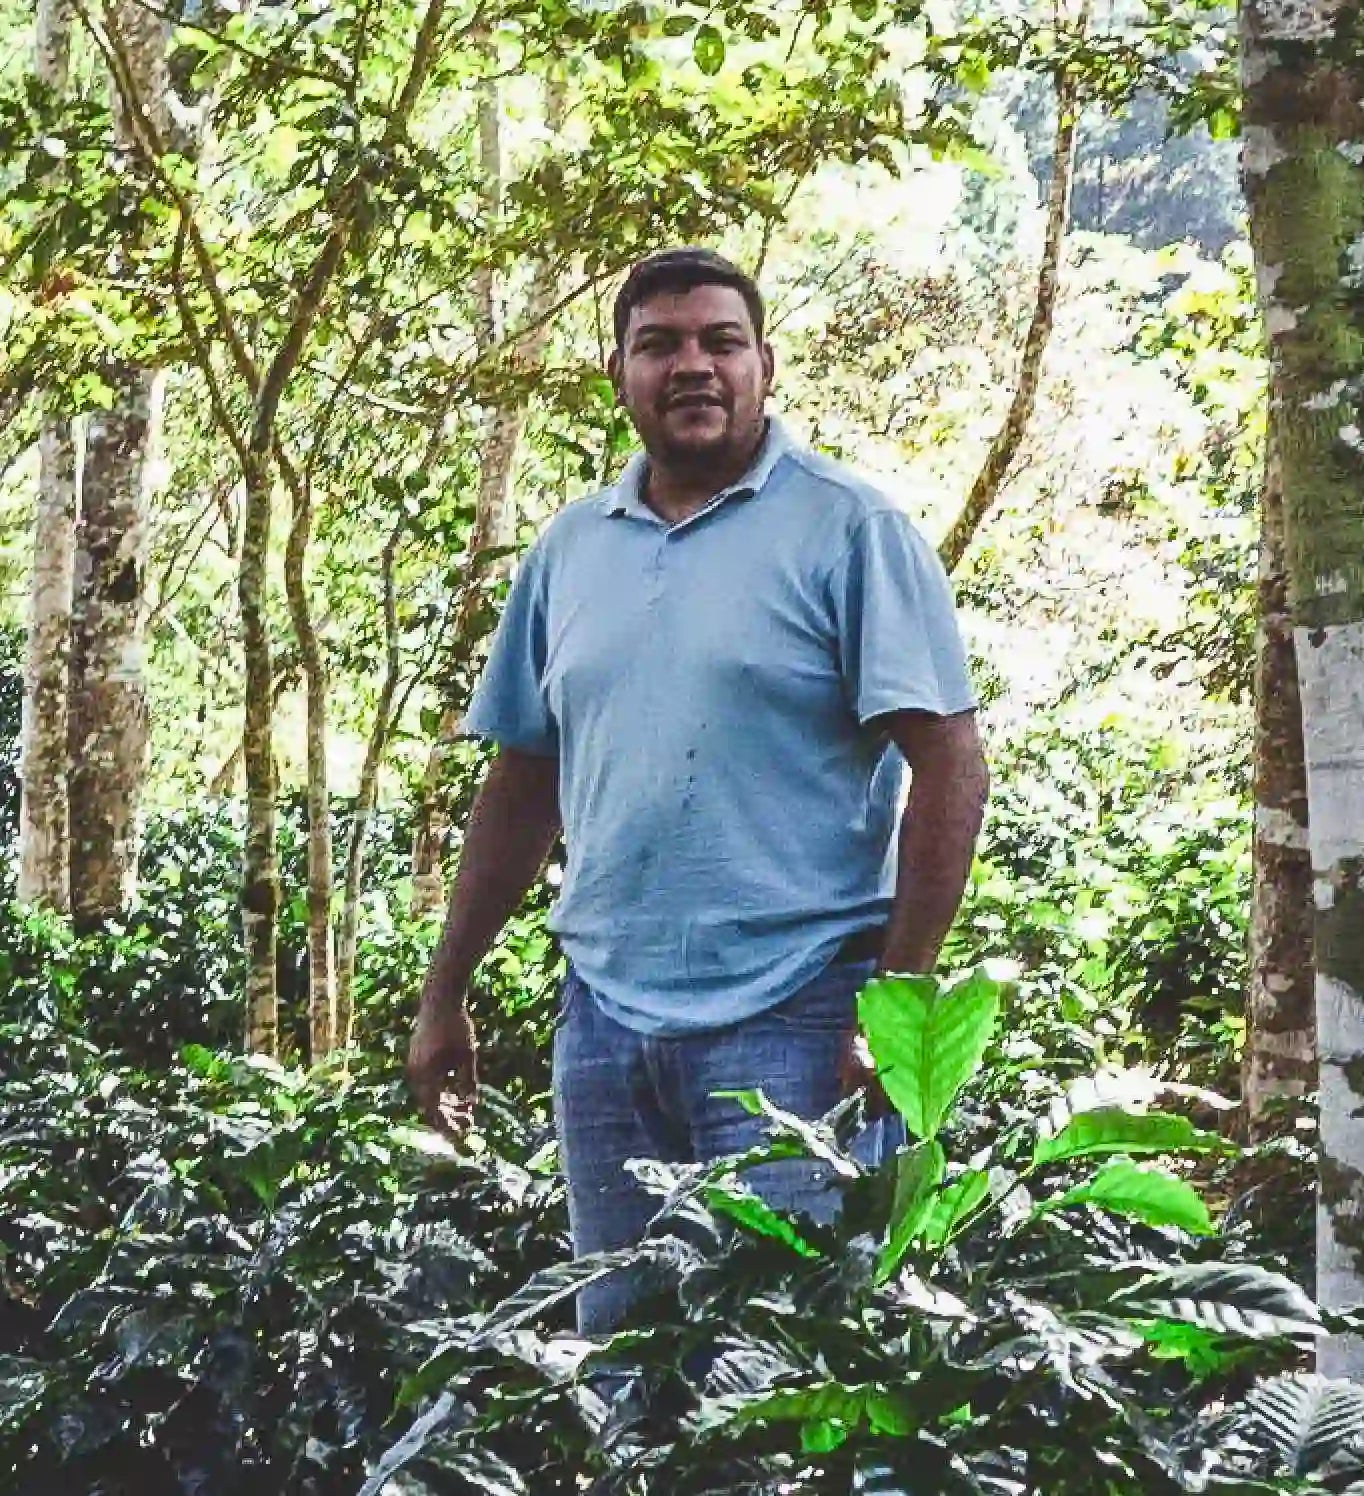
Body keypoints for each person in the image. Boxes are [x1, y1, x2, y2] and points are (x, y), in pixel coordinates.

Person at [408, 246, 989, 1333]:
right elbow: (522, 780)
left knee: (773, 1375)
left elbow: (949, 763)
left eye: (720, 342)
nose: (692, 366)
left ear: (764, 365)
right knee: (622, 1365)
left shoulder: (849, 531)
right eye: (658, 344)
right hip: (604, 1021)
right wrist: (445, 993)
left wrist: (894, 1000)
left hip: (800, 1020)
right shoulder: (570, 549)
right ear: (618, 373)